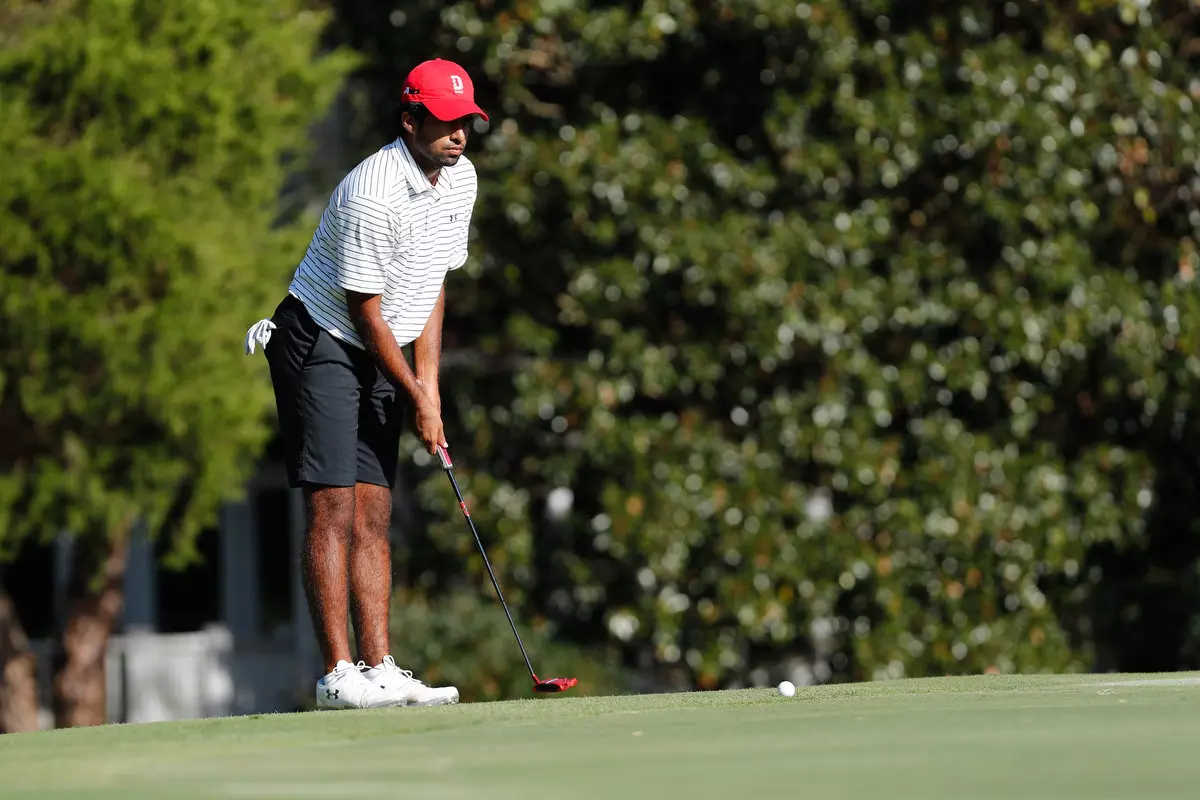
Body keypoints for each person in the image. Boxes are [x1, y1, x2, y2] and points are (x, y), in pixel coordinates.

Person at [244, 58, 487, 709]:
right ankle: (337, 675)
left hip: (383, 350)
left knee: (374, 507)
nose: (458, 134)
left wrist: (428, 386)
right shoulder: (372, 192)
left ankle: (381, 666)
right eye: (443, 121)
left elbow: (434, 281)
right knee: (334, 506)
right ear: (409, 121)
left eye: (465, 121)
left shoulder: (459, 181)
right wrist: (412, 393)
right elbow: (366, 310)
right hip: (320, 340)